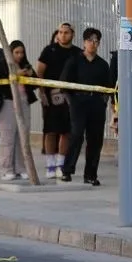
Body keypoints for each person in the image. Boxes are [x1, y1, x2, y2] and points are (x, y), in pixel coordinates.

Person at [58, 27, 115, 185]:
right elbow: (64, 85)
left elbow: (108, 88)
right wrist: (71, 102)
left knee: (95, 139)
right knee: (76, 135)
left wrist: (104, 103)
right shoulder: (74, 61)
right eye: (90, 40)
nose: (93, 44)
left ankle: (90, 174)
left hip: (96, 104)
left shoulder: (102, 65)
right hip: (78, 102)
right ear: (84, 42)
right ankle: (67, 170)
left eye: (96, 41)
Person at [36, 22, 83, 178]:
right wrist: (42, 93)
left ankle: (60, 164)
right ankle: (50, 165)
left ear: (72, 34)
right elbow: (39, 73)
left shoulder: (77, 53)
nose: (63, 35)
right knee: (50, 131)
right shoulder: (49, 51)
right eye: (60, 32)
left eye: (66, 32)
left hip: (70, 98)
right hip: (51, 97)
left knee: (66, 132)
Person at [0, 40, 37, 180]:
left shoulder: (26, 65)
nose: (19, 55)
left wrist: (30, 75)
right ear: (10, 53)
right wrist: (15, 75)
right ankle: (6, 169)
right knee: (7, 136)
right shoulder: (3, 65)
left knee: (22, 136)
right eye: (16, 52)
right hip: (8, 103)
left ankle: (20, 168)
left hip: (24, 102)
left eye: (22, 52)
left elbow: (35, 83)